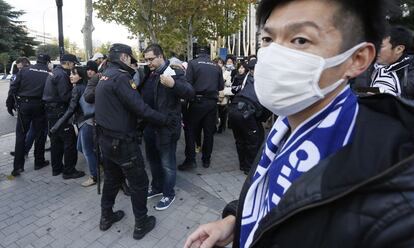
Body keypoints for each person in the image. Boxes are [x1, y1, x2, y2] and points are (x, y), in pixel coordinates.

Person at [185, 0, 414, 247]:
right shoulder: (286, 123)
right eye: (268, 40)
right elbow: (279, 194)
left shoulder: (393, 201)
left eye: (300, 40)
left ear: (357, 59)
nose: (274, 54)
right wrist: (234, 220)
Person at [95, 43, 174, 240]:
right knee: (139, 183)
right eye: (131, 58)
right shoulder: (121, 78)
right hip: (123, 143)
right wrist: (164, 119)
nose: (134, 62)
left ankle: (106, 216)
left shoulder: (105, 74)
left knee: (112, 179)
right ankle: (141, 223)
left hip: (106, 140)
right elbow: (140, 108)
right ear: (123, 57)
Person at [140, 44, 194, 210]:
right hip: (150, 125)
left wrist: (173, 84)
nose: (148, 62)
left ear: (161, 56)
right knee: (153, 160)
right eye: (146, 60)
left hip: (167, 128)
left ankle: (168, 193)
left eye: (151, 59)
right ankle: (157, 187)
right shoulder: (149, 73)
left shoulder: (174, 72)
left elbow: (190, 93)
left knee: (167, 163)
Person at [49, 66, 97, 187]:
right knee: (80, 147)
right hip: (87, 121)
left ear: (81, 76)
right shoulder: (86, 85)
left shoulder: (78, 89)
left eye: (74, 74)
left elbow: (70, 110)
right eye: (70, 73)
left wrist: (56, 126)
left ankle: (94, 176)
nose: (70, 76)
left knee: (87, 151)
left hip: (87, 122)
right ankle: (98, 165)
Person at [179, 47, 224, 170]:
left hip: (197, 102)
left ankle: (190, 160)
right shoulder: (216, 66)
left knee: (190, 130)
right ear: (208, 54)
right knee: (209, 132)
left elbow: (188, 84)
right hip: (212, 103)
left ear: (197, 54)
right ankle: (206, 159)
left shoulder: (193, 64)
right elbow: (220, 86)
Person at [7, 54, 51, 176]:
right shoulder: (49, 73)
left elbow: (13, 88)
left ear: (36, 60)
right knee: (40, 135)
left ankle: (17, 167)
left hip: (24, 106)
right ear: (47, 62)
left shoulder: (25, 70)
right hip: (40, 106)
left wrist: (9, 104)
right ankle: (39, 162)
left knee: (21, 136)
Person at [43, 54, 85, 179]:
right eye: (73, 64)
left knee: (56, 142)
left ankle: (56, 169)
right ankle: (69, 171)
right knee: (69, 142)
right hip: (59, 112)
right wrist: (75, 94)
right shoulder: (62, 75)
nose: (74, 66)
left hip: (51, 111)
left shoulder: (55, 72)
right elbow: (65, 96)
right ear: (68, 63)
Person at [228, 59, 271, 175]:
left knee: (240, 139)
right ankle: (249, 167)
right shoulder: (265, 85)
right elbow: (266, 109)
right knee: (253, 140)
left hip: (233, 109)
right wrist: (261, 119)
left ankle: (243, 165)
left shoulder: (252, 82)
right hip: (245, 112)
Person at [370, 25, 414, 98]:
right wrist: (371, 91)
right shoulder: (367, 64)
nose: (375, 49)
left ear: (399, 49)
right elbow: (357, 88)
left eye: (381, 46)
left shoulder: (411, 74)